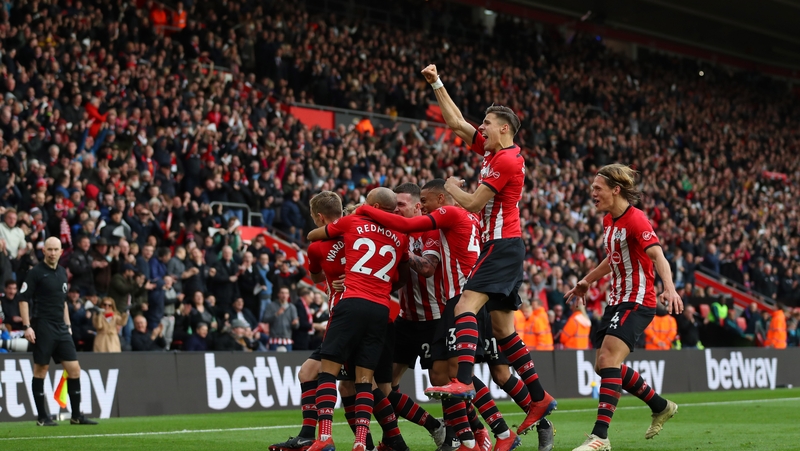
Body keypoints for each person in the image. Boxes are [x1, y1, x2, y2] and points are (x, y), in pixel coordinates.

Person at [420, 64, 557, 439]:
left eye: (487, 123)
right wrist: (437, 83)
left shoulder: (506, 160)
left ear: (505, 129)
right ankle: (539, 397)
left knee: (465, 306)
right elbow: (457, 124)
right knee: (501, 329)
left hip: (502, 246)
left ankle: (463, 381)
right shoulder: (494, 151)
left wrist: (450, 187)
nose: (480, 127)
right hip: (504, 246)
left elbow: (474, 203)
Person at [564, 164, 683, 451]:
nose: (592, 193)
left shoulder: (636, 220)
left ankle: (600, 437)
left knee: (607, 361)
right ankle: (660, 405)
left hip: (639, 300)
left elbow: (658, 256)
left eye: (597, 188)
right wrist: (587, 280)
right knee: (603, 365)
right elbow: (613, 258)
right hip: (617, 300)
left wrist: (669, 286)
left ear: (616, 190)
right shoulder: (609, 221)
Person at [305, 187, 409, 451]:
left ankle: (325, 436)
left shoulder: (352, 221)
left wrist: (355, 215)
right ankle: (361, 442)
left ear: (370, 204)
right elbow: (401, 274)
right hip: (381, 310)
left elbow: (312, 236)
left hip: (351, 303)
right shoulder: (400, 235)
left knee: (328, 372)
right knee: (365, 380)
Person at [18, 237, 97, 426]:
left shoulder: (62, 273)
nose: (53, 253)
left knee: (74, 370)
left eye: (56, 249)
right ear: (44, 251)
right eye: (49, 249)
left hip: (61, 328)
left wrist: (68, 325)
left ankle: (76, 415)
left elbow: (63, 303)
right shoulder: (35, 273)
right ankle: (42, 417)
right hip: (42, 325)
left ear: (61, 252)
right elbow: (23, 299)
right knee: (41, 370)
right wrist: (27, 326)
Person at [262, 287, 299, 351]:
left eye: (286, 293)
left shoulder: (292, 307)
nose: (284, 295)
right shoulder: (271, 305)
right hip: (274, 339)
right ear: (278, 294)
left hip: (287, 339)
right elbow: (265, 319)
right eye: (282, 293)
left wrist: (295, 324)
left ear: (289, 295)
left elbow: (297, 326)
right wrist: (276, 314)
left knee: (288, 360)